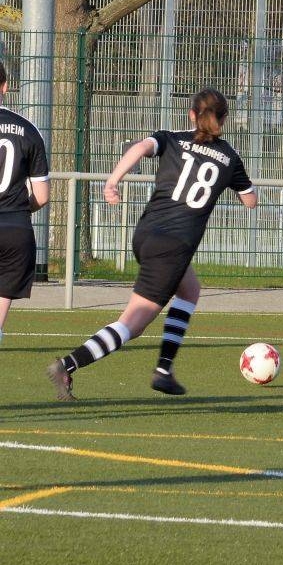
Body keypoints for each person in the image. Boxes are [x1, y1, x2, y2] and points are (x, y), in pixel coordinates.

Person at [46, 88, 258, 401]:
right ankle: (67, 365)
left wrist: (112, 180)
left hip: (146, 234)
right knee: (132, 324)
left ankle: (164, 369)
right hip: (173, 248)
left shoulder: (171, 138)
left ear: (191, 114)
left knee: (190, 289)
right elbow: (250, 201)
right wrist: (238, 183)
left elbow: (141, 147)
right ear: (224, 119)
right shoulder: (230, 158)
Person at [0, 62, 50, 346]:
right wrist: (18, 211)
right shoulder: (28, 129)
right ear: (5, 86)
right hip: (15, 229)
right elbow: (42, 196)